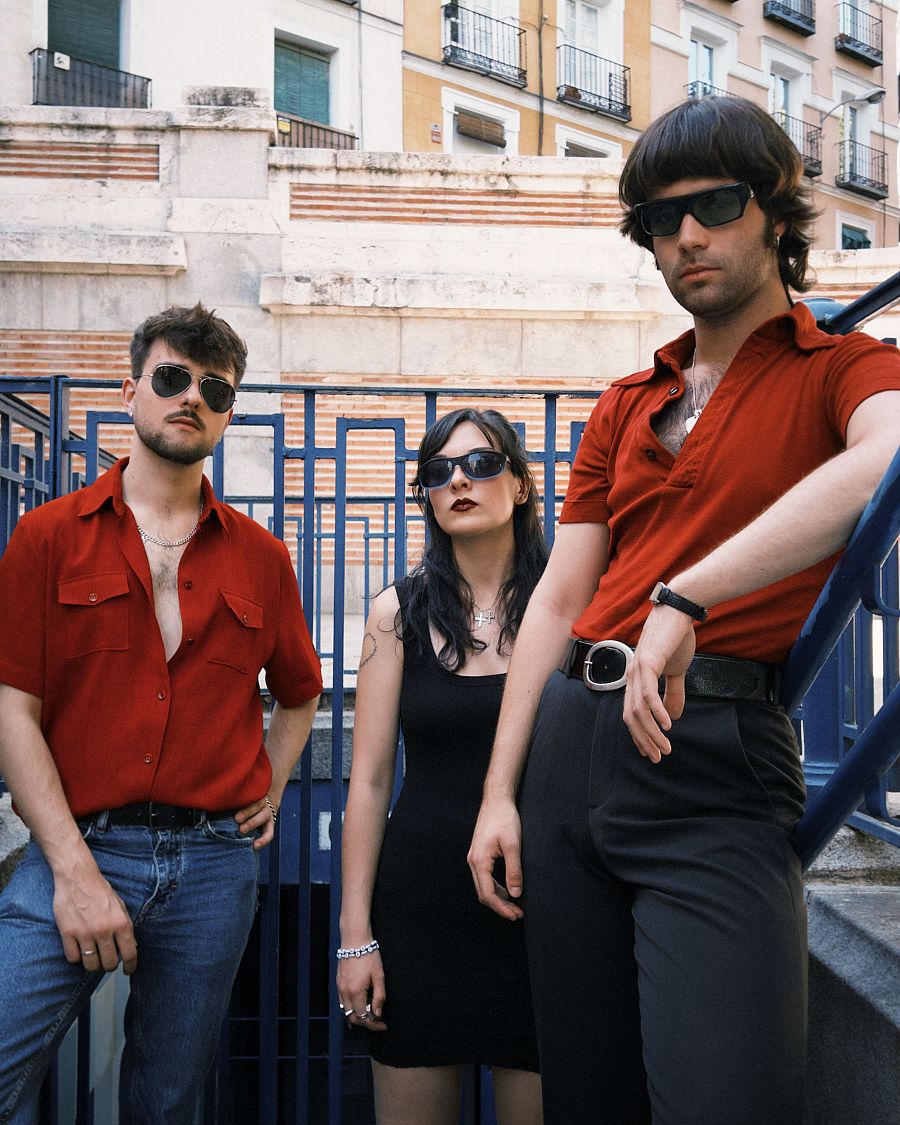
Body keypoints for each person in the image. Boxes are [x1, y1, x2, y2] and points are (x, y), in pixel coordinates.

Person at [467, 96, 900, 1124]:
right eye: (663, 221)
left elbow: (887, 455)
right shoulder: (625, 400)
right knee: (589, 1099)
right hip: (570, 749)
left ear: (775, 213)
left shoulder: (844, 367)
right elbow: (559, 597)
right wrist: (500, 791)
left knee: (729, 1100)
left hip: (712, 752)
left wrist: (689, 594)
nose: (690, 236)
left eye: (716, 203)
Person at [0, 303, 322, 1124]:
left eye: (215, 389)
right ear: (131, 391)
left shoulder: (262, 555)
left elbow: (299, 689)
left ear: (228, 412)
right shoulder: (47, 538)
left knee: (167, 1100)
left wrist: (275, 784)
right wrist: (72, 871)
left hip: (214, 864)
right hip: (81, 843)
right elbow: (13, 710)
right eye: (172, 378)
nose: (192, 399)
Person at [338, 409, 546, 1125]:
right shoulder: (395, 612)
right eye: (439, 471)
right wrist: (356, 935)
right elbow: (367, 782)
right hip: (420, 911)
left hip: (541, 912)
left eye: (482, 464)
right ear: (426, 495)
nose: (459, 479)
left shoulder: (570, 605)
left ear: (521, 485)